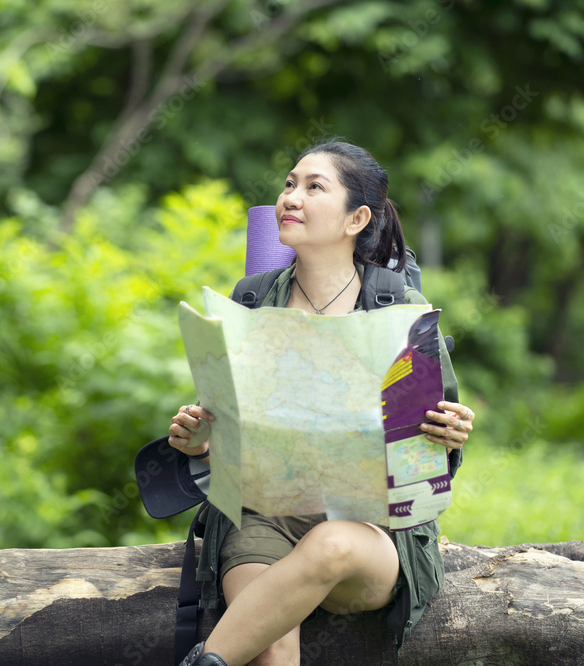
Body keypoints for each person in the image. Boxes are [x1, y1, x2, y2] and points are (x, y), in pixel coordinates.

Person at [167, 140, 476, 666]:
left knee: (331, 544)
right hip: (260, 519)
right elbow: (223, 435)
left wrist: (447, 437)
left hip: (370, 530)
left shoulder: (397, 308)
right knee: (270, 644)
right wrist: (197, 439)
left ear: (356, 218)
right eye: (289, 183)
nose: (292, 197)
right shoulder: (252, 298)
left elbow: (430, 458)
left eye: (314, 187)